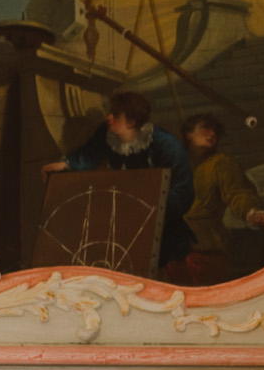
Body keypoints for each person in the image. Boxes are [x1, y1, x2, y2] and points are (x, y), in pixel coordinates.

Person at [49, 90, 193, 274]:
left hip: (164, 231)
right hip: (122, 225)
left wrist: (147, 206)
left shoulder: (167, 145)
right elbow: (88, 156)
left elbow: (183, 193)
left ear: (131, 122)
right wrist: (66, 164)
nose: (108, 117)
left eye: (115, 114)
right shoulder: (107, 134)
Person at [176, 113, 264, 282]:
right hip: (172, 252)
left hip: (205, 251)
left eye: (215, 131)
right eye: (205, 128)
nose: (212, 134)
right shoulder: (174, 164)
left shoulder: (220, 163)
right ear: (189, 134)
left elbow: (238, 192)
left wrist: (250, 211)